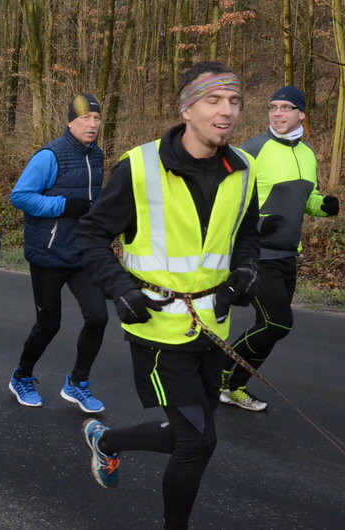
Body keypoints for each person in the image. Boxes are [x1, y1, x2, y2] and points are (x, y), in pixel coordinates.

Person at [74, 61, 261, 529]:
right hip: (157, 329)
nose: (227, 112)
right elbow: (91, 236)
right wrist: (119, 288)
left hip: (212, 327)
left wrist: (243, 273)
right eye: (214, 100)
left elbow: (248, 235)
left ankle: (108, 441)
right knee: (196, 443)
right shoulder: (139, 167)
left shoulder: (245, 168)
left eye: (234, 101)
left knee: (194, 436)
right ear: (187, 108)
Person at [219, 86, 339, 411]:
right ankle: (217, 371)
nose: (277, 113)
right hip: (257, 254)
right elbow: (226, 201)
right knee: (277, 323)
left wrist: (322, 205)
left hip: (288, 255)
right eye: (273, 107)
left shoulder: (308, 153)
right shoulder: (253, 150)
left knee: (270, 329)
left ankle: (233, 386)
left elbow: (304, 200)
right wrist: (257, 225)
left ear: (301, 113)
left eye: (286, 108)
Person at [7, 94, 109, 412]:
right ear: (70, 122)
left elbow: (93, 201)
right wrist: (64, 205)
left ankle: (77, 383)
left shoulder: (97, 156)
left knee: (98, 316)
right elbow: (20, 196)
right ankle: (21, 377)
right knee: (48, 324)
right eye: (85, 119)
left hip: (81, 253)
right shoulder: (50, 155)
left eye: (96, 118)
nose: (92, 125)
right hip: (49, 254)